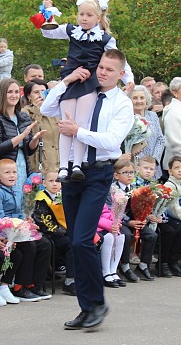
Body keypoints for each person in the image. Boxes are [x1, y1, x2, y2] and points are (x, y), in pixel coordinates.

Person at [46, 49, 134, 330]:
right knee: (75, 242)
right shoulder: (83, 90)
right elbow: (47, 108)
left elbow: (112, 141)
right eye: (101, 67)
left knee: (84, 239)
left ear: (121, 74)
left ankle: (97, 303)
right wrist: (67, 80)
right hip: (71, 174)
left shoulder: (121, 103)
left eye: (110, 69)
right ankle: (87, 307)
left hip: (97, 173)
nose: (103, 72)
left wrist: (78, 132)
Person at [37, 0, 133, 183]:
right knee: (67, 123)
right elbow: (48, 32)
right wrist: (47, 14)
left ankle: (78, 164)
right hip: (72, 78)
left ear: (98, 18)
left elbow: (120, 60)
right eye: (81, 14)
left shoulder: (105, 39)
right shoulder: (72, 30)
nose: (84, 18)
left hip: (89, 81)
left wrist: (129, 78)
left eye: (89, 15)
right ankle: (64, 166)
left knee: (79, 124)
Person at [0, 159, 52, 300]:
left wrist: (27, 221)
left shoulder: (17, 190)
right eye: (7, 172)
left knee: (45, 244)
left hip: (18, 229)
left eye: (14, 172)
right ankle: (20, 286)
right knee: (29, 246)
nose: (12, 175)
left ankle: (34, 284)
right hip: (5, 232)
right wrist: (20, 224)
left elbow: (19, 213)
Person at [0, 78, 44, 202]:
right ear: (2, 94)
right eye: (10, 92)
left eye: (16, 92)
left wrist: (34, 140)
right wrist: (21, 136)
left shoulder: (23, 117)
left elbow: (28, 151)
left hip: (21, 167)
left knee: (23, 206)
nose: (14, 95)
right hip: (3, 171)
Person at [30, 170, 76, 295]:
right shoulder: (41, 199)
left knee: (82, 241)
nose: (55, 184)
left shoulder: (63, 196)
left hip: (63, 232)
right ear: (44, 183)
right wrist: (64, 231)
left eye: (58, 181)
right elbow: (43, 222)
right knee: (71, 244)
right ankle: (69, 281)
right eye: (51, 181)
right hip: (50, 234)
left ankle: (79, 276)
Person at [115, 159, 158, 282]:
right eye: (125, 172)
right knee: (127, 235)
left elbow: (143, 206)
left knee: (151, 235)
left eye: (131, 172)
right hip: (120, 221)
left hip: (136, 220)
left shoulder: (136, 188)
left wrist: (144, 218)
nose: (129, 175)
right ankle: (125, 266)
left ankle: (143, 265)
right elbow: (114, 210)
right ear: (117, 175)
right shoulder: (114, 189)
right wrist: (128, 222)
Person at [125, 85, 165, 178]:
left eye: (142, 98)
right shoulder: (126, 118)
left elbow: (160, 139)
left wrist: (154, 159)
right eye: (135, 98)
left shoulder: (153, 115)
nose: (139, 101)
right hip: (134, 166)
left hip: (153, 167)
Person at [22, 79, 60, 173]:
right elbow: (30, 136)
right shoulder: (25, 112)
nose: (40, 95)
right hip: (39, 166)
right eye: (36, 92)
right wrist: (38, 111)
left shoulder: (54, 113)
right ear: (28, 96)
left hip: (57, 165)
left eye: (43, 92)